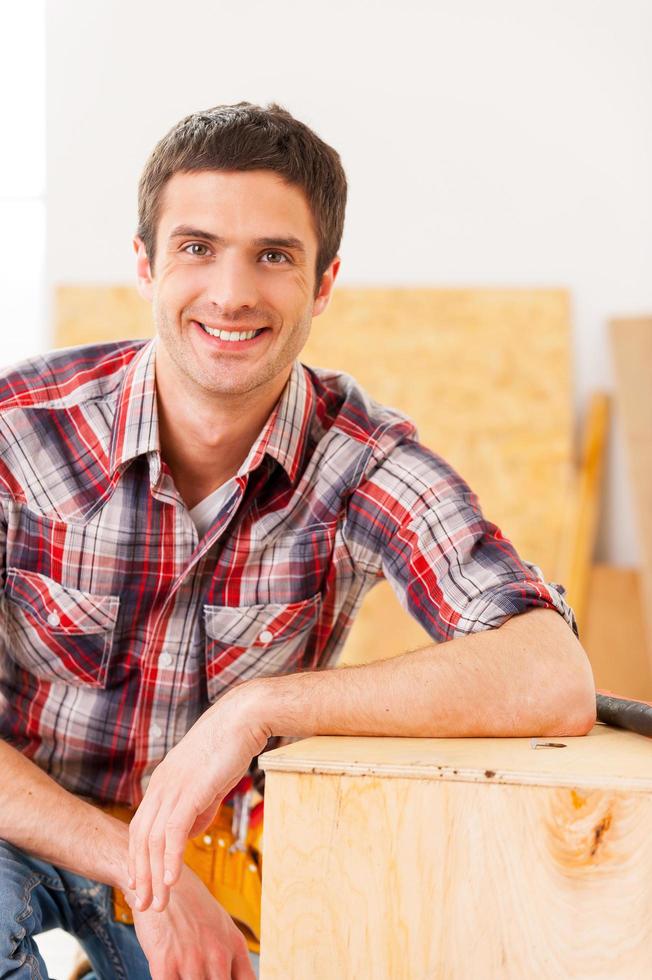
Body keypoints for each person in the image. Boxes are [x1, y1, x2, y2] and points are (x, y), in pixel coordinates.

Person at [0, 102, 595, 980]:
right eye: (197, 247)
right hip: (23, 824)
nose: (232, 294)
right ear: (145, 265)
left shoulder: (360, 461)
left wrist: (258, 712)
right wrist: (138, 864)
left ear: (323, 285)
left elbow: (552, 673)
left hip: (221, 861)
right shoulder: (20, 433)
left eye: (273, 257)